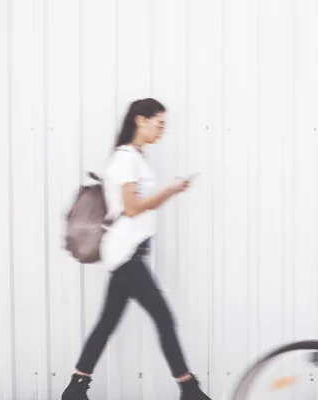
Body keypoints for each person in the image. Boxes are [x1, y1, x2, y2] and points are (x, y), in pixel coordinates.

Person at [62, 98, 212, 400]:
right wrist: (168, 191)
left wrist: (168, 192)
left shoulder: (136, 158)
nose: (162, 130)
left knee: (107, 323)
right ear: (140, 120)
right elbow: (131, 209)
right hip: (125, 254)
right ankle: (189, 388)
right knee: (163, 318)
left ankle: (76, 388)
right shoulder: (125, 159)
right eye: (159, 123)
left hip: (128, 253)